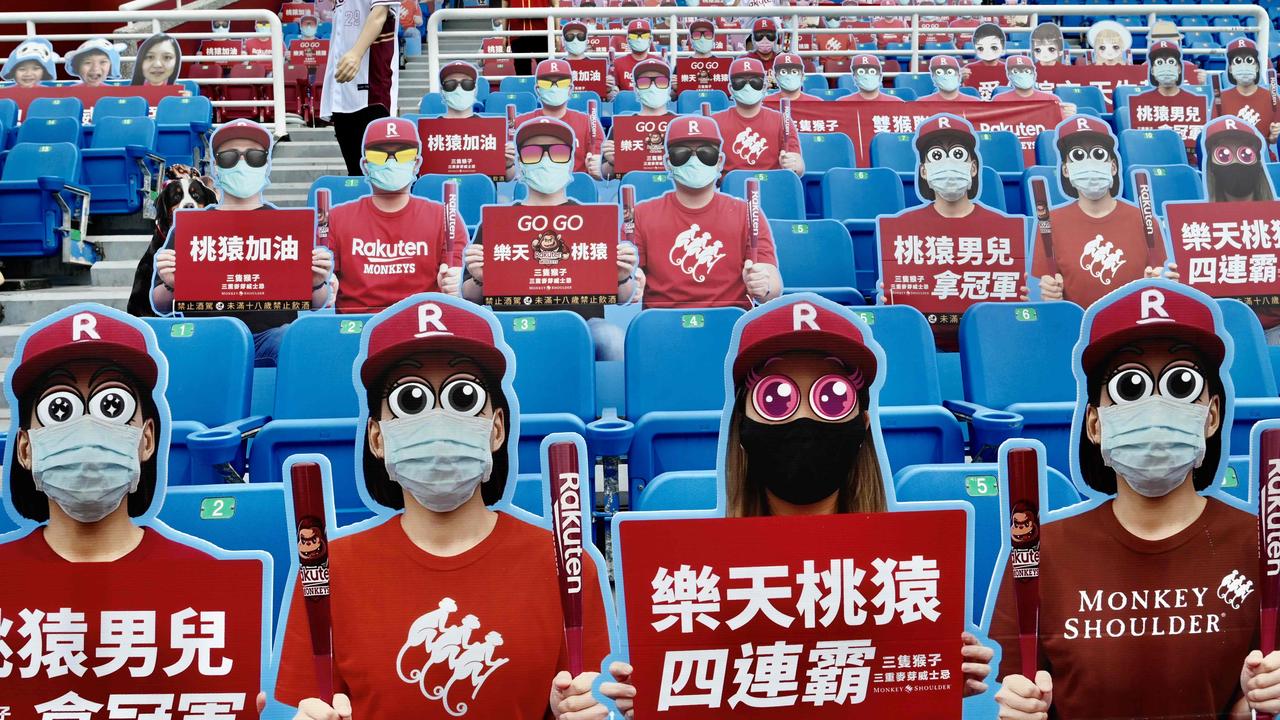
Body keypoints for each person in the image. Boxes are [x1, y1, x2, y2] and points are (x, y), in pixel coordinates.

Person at [273, 294, 635, 718]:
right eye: (411, 400)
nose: (438, 420)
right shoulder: (328, 570)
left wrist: (581, 711)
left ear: (497, 428)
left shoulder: (566, 563)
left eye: (462, 396)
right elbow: (304, 704)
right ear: (377, 438)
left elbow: (587, 696)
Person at [992, 279, 1280, 720]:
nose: (1156, 407)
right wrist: (1017, 710)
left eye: (1181, 383)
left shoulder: (1264, 546)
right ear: (1095, 424)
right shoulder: (1039, 553)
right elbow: (1010, 690)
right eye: (1131, 387)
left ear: (1212, 415)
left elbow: (1252, 702)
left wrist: (1261, 702)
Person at [717, 296, 994, 695]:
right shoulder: (698, 577)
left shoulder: (909, 570)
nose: (804, 419)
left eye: (831, 398)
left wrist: (940, 681)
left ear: (863, 423)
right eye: (776, 399)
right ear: (742, 424)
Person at [151, 120, 334, 365]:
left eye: (254, 156)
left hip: (272, 336)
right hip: (208, 335)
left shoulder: (287, 226)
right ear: (216, 167)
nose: (242, 164)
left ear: (266, 164)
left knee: (293, 339)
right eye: (229, 157)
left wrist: (315, 283)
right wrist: (172, 283)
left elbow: (316, 302)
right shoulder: (191, 227)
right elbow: (160, 304)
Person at [464, 117, 634, 360]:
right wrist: (480, 278)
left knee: (612, 339)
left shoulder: (593, 220)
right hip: (511, 323)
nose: (545, 160)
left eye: (558, 152)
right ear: (521, 163)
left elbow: (623, 295)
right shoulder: (497, 222)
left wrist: (621, 277)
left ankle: (605, 400)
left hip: (583, 325)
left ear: (570, 162)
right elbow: (470, 295)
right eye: (533, 153)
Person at [631, 115, 782, 309]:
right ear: (668, 162)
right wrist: (630, 283)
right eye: (681, 153)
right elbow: (627, 281)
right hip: (664, 327)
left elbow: (772, 280)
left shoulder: (747, 213)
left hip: (730, 325)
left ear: (719, 161)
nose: (694, 161)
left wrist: (764, 284)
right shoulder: (641, 214)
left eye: (706, 153)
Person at [328, 117, 464, 314]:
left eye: (403, 154)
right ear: (365, 165)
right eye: (378, 155)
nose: (391, 161)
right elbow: (321, 284)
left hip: (423, 328)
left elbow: (455, 277)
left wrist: (455, 282)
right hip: (356, 330)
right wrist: (323, 286)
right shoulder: (336, 217)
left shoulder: (445, 217)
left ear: (416, 164)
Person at [1034, 115, 1171, 308]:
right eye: (1079, 156)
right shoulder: (1050, 222)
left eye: (1098, 155)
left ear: (1113, 166)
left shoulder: (1144, 219)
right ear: (1066, 170)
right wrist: (1050, 295)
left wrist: (1160, 282)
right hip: (1079, 329)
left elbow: (1160, 276)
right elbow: (1041, 287)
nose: (1090, 164)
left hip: (1134, 328)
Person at [321, 0, 400, 176]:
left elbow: (379, 14)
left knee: (378, 173)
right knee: (355, 173)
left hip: (373, 90)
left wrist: (356, 53)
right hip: (342, 91)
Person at [710, 56, 803, 175]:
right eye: (740, 82)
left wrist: (793, 163)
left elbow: (798, 166)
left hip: (771, 186)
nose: (747, 87)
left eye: (755, 82)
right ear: (731, 88)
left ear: (764, 87)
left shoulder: (782, 120)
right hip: (729, 189)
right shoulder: (714, 122)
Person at [515, 58, 605, 180]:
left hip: (577, 189)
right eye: (546, 83)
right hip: (534, 191)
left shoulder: (588, 122)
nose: (554, 87)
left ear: (570, 88)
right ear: (537, 89)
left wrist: (600, 168)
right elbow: (512, 168)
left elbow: (599, 169)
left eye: (562, 82)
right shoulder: (521, 123)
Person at [601, 57, 674, 179]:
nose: (652, 86)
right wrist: (612, 162)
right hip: (633, 190)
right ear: (635, 88)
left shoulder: (680, 124)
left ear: (669, 86)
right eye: (644, 82)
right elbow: (606, 174)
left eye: (661, 81)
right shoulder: (622, 127)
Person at [1216, 38, 1280, 145]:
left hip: (1264, 156)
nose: (1244, 66)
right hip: (1230, 157)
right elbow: (1215, 136)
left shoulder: (1272, 98)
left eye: (1249, 61)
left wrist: (1274, 135)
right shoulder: (1220, 99)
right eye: (1238, 61)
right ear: (1230, 69)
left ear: (1257, 67)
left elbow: (1273, 141)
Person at [993, 54, 1076, 118]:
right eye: (1016, 71)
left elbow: (1060, 127)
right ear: (1009, 75)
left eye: (1027, 71)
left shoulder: (1051, 100)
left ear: (1034, 73)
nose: (1022, 74)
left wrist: (1069, 116)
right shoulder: (999, 100)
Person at [607, 19, 662, 98]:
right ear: (627, 39)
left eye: (644, 35)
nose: (639, 39)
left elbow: (668, 94)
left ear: (650, 39)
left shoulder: (659, 63)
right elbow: (610, 95)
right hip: (626, 107)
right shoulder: (617, 63)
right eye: (634, 36)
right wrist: (610, 91)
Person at [500, 0, 554, 77]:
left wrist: (556, 34)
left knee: (546, 72)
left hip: (542, 32)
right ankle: (524, 88)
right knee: (522, 74)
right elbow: (504, 8)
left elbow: (556, 5)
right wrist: (504, 35)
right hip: (518, 33)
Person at [839, 54, 905, 103]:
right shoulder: (843, 103)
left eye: (872, 72)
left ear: (880, 76)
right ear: (854, 77)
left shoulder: (896, 103)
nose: (867, 76)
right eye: (861, 72)